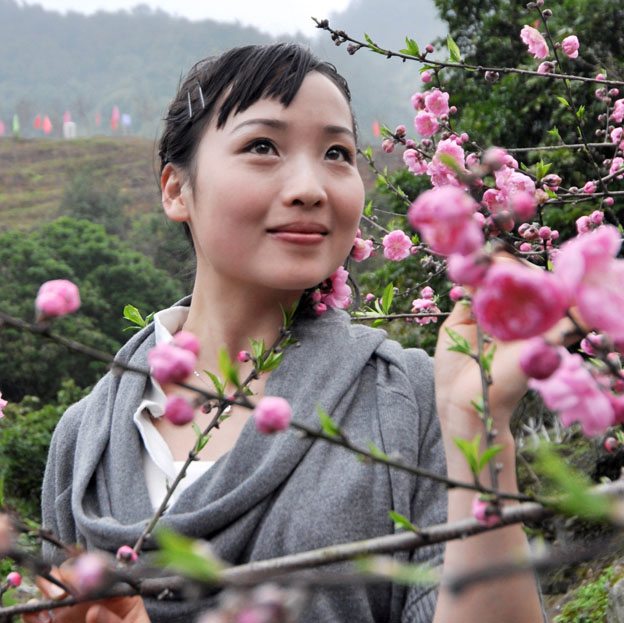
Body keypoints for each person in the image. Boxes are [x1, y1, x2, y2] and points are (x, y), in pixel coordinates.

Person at [32, 43, 544, 622]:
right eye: (262, 146)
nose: (311, 187)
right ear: (176, 189)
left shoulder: (413, 400)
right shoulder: (85, 440)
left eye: (336, 153)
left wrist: (478, 429)